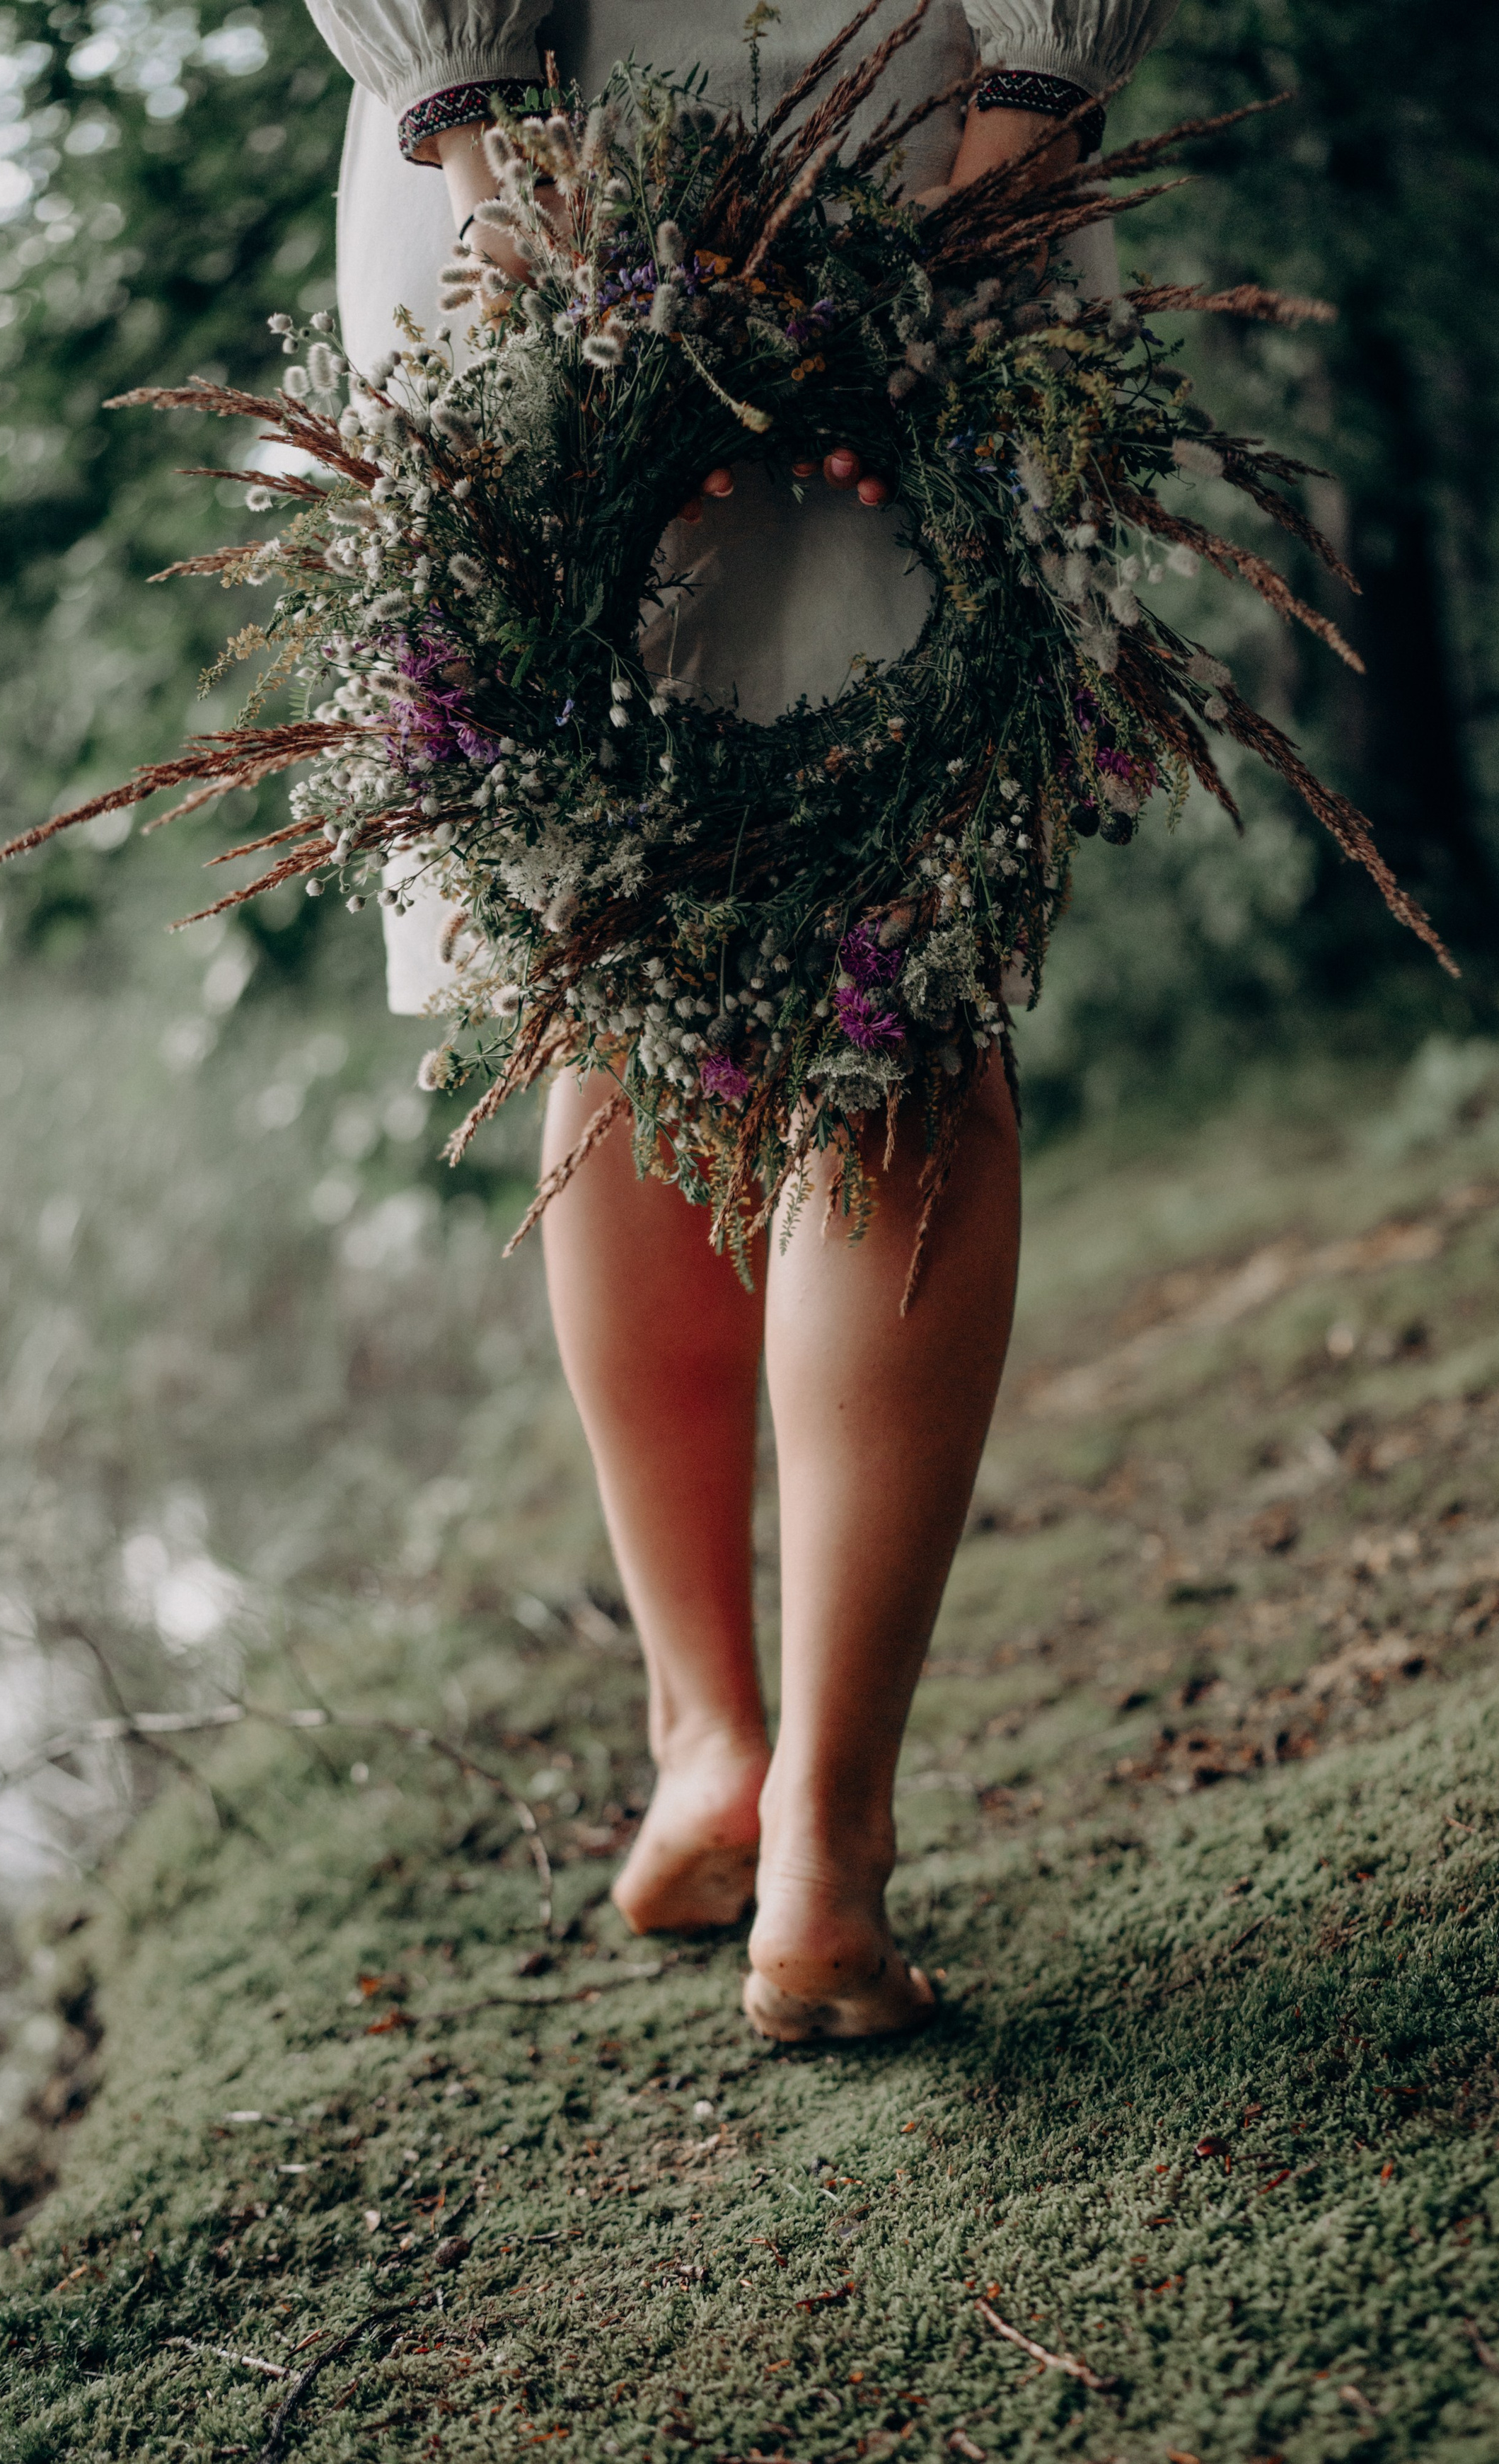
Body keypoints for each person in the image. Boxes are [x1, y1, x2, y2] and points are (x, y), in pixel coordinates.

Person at [299, 0, 1178, 2039]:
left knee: (620, 975)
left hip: (530, 132)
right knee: (898, 993)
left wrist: (495, 172)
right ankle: (822, 1847)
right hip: (890, 118)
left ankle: (716, 1753)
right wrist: (1028, 117)